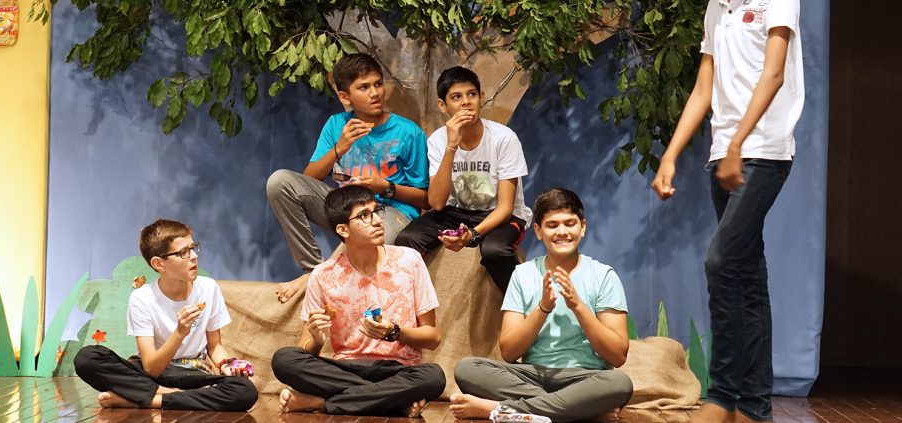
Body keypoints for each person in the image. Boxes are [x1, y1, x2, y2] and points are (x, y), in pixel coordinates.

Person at [650, 1, 804, 421]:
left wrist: (739, 142)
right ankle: (753, 408)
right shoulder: (717, 7)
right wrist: (671, 155)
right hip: (723, 153)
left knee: (721, 262)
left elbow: (774, 73)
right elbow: (705, 87)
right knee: (748, 276)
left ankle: (721, 397)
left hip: (764, 150)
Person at [450, 189, 632, 422]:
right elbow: (509, 352)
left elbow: (617, 356)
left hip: (586, 378)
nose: (562, 232)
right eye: (552, 225)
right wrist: (543, 309)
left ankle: (502, 409)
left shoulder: (604, 275)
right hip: (532, 376)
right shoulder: (522, 274)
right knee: (468, 368)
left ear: (583, 227)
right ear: (538, 231)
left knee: (619, 382)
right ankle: (581, 410)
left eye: (570, 223)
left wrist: (578, 306)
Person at [267, 53, 430, 304]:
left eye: (378, 84)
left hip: (390, 210)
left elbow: (425, 199)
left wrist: (385, 187)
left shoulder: (408, 132)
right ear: (345, 97)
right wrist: (339, 148)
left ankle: (318, 277)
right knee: (280, 182)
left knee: (367, 232)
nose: (375, 93)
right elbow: (310, 178)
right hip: (346, 205)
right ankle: (312, 268)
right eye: (363, 88)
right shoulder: (336, 125)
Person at [271, 186, 446, 417]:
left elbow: (433, 338)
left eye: (376, 211)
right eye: (364, 215)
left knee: (434, 376)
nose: (378, 221)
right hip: (345, 368)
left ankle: (322, 403)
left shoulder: (409, 260)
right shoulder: (323, 275)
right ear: (343, 229)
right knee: (284, 359)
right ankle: (393, 401)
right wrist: (316, 341)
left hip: (398, 370)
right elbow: (306, 349)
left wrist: (393, 331)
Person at [73, 219, 258, 412]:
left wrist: (226, 365)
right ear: (159, 264)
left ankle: (146, 399)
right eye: (183, 252)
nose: (194, 256)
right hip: (153, 374)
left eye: (193, 248)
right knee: (87, 358)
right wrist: (180, 332)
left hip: (193, 374)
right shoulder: (142, 298)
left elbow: (215, 346)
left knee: (244, 390)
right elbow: (151, 367)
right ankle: (171, 394)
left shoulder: (208, 288)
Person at [395, 66, 531, 293]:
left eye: (472, 94)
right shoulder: (438, 140)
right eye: (456, 97)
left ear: (481, 97)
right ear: (443, 105)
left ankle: (526, 305)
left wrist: (473, 235)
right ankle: (412, 305)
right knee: (407, 239)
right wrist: (451, 146)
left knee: (494, 250)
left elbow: (506, 208)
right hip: (455, 212)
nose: (466, 102)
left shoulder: (504, 138)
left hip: (502, 215)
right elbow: (436, 203)